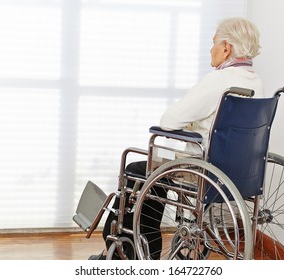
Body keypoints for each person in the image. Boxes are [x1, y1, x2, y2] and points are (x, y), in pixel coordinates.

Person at [89, 17, 264, 260]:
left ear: (226, 48)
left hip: (203, 172)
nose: (210, 50)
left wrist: (191, 122)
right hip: (240, 174)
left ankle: (131, 253)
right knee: (153, 170)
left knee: (137, 169)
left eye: (213, 43)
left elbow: (169, 121)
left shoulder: (219, 80)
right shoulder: (257, 82)